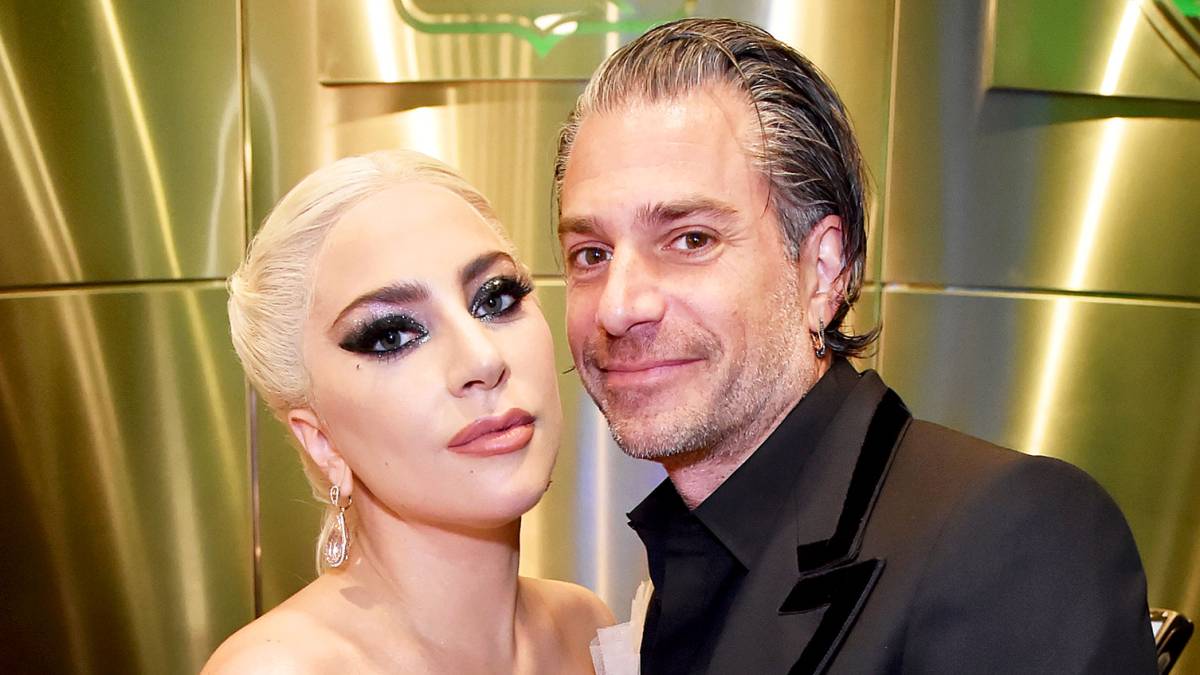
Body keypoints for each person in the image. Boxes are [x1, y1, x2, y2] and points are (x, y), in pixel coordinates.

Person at [553, 17, 1158, 674]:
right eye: (590, 253)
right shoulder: (682, 573)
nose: (618, 306)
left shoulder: (1009, 535)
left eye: (690, 239)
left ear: (823, 270)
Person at [204, 150, 613, 673]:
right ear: (319, 440)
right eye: (393, 336)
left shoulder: (587, 629)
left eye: (495, 300)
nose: (483, 360)